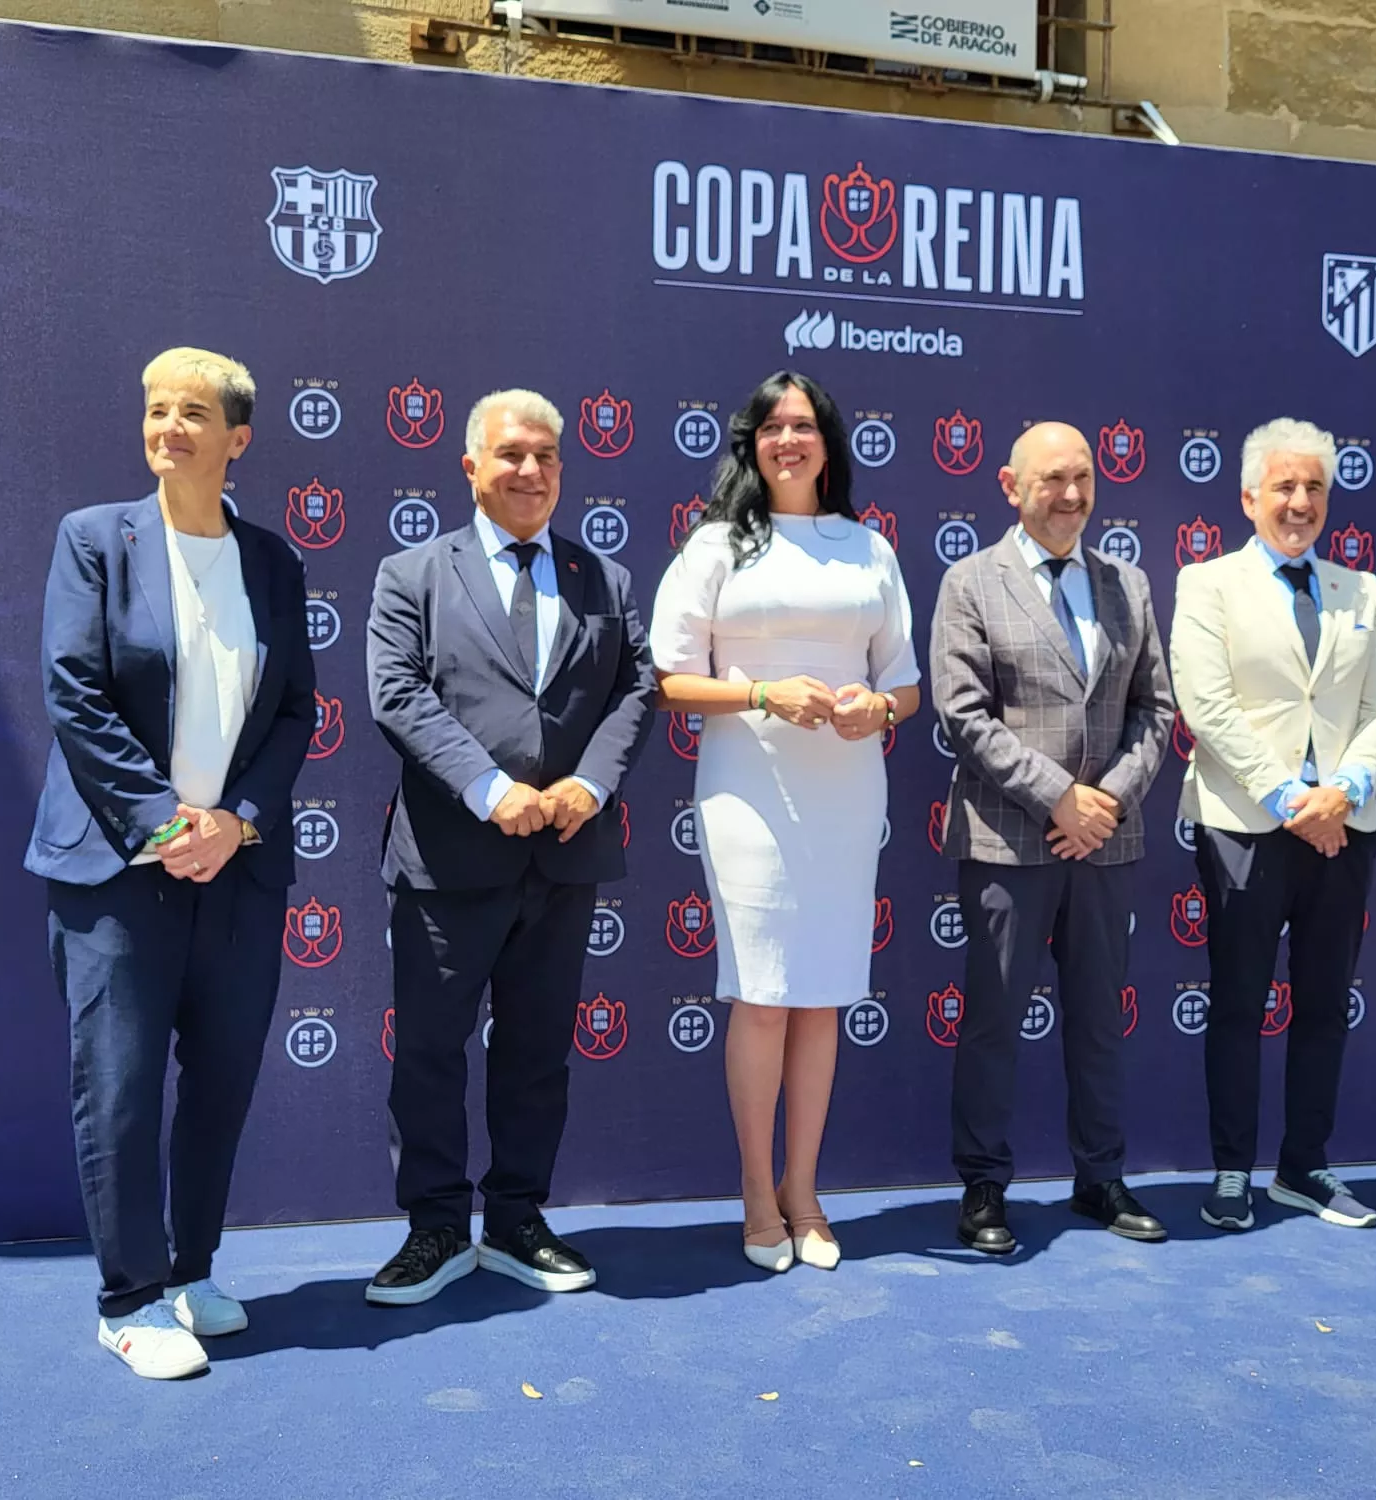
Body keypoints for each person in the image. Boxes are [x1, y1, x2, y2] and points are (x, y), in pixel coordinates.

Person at [26, 347, 316, 1379]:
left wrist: (234, 823)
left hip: (235, 872)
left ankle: (190, 1271)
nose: (169, 429)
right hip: (117, 869)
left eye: (193, 413)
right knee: (120, 1086)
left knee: (222, 1080)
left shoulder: (273, 562)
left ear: (237, 438)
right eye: (156, 410)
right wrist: (166, 824)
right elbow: (76, 693)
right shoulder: (94, 541)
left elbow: (294, 713)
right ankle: (127, 1297)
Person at [364, 390, 656, 1304]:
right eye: (511, 456)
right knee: (430, 1053)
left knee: (537, 1054)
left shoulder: (601, 576)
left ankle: (519, 1218)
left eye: (546, 458)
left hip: (563, 856)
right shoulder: (410, 574)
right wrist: (491, 791)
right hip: (450, 858)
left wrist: (589, 785)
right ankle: (436, 1227)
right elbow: (397, 693)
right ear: (470, 468)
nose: (530, 471)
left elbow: (637, 689)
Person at [649, 371, 920, 1273]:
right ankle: (756, 1197)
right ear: (751, 445)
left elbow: (906, 682)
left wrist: (874, 710)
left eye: (803, 425)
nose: (788, 439)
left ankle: (807, 1193)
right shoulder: (718, 546)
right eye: (772, 426)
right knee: (763, 997)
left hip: (847, 790)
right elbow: (672, 679)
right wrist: (764, 690)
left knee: (822, 999)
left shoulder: (869, 547)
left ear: (829, 442)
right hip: (748, 789)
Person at [930, 422, 1175, 1253]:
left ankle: (1100, 1178)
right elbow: (963, 716)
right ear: (1010, 485)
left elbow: (1155, 711)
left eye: (1083, 478)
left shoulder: (1128, 584)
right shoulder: (971, 582)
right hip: (1009, 840)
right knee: (995, 1020)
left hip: (1105, 842)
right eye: (1051, 481)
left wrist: (1102, 800)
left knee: (1098, 1019)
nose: (1070, 495)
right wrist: (1056, 797)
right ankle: (984, 1187)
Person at [1168, 417, 1376, 1234]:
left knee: (1325, 1004)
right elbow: (1207, 705)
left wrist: (1345, 789)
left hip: (1345, 824)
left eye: (1315, 489)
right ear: (1248, 497)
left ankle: (1305, 1167)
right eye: (1284, 488)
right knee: (1238, 1002)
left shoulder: (1360, 590)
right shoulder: (1207, 583)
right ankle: (1232, 1169)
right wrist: (1290, 802)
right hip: (1245, 825)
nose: (1300, 503)